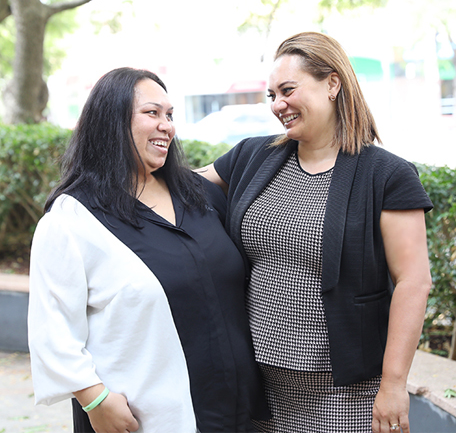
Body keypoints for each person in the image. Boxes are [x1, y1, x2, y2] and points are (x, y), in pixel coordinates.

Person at [199, 32, 433, 433]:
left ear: (332, 84)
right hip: (261, 391)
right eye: (272, 95)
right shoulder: (252, 156)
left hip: (346, 394)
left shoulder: (386, 175)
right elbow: (182, 189)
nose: (278, 104)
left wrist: (394, 385)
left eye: (288, 90)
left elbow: (414, 281)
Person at [27, 67, 270, 433]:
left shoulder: (198, 195)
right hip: (146, 419)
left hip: (233, 412)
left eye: (169, 115)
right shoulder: (73, 219)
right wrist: (95, 399)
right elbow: (52, 327)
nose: (166, 126)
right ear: (112, 121)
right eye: (152, 113)